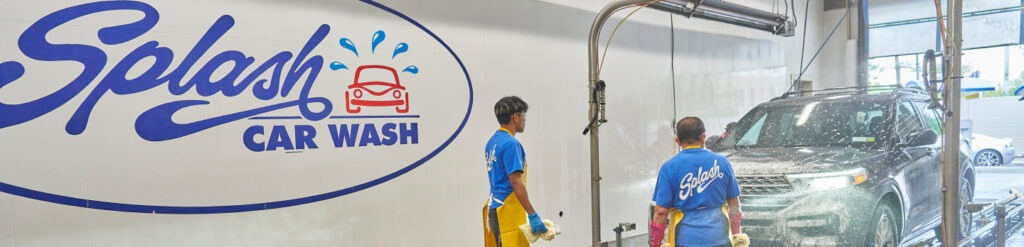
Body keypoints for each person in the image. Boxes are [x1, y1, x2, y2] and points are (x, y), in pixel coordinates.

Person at [650, 117, 742, 247]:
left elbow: (660, 212)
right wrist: (737, 236)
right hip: (720, 239)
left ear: (678, 141)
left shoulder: (669, 168)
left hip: (685, 240)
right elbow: (734, 205)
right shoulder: (723, 163)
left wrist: (655, 244)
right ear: (703, 138)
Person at [483, 96, 548, 247]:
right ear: (516, 117)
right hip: (507, 211)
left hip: (495, 207)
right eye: (523, 115)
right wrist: (532, 214)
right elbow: (516, 182)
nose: (525, 119)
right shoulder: (511, 144)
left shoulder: (492, 142)